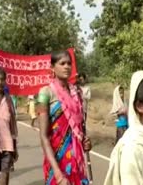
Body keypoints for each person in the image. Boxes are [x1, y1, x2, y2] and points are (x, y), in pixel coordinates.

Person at [37, 51, 92, 185]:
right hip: (56, 160)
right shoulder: (45, 94)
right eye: (62, 63)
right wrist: (57, 172)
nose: (67, 66)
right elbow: (43, 136)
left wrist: (86, 142)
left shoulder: (76, 93)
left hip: (77, 162)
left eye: (69, 63)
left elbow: (80, 128)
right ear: (52, 67)